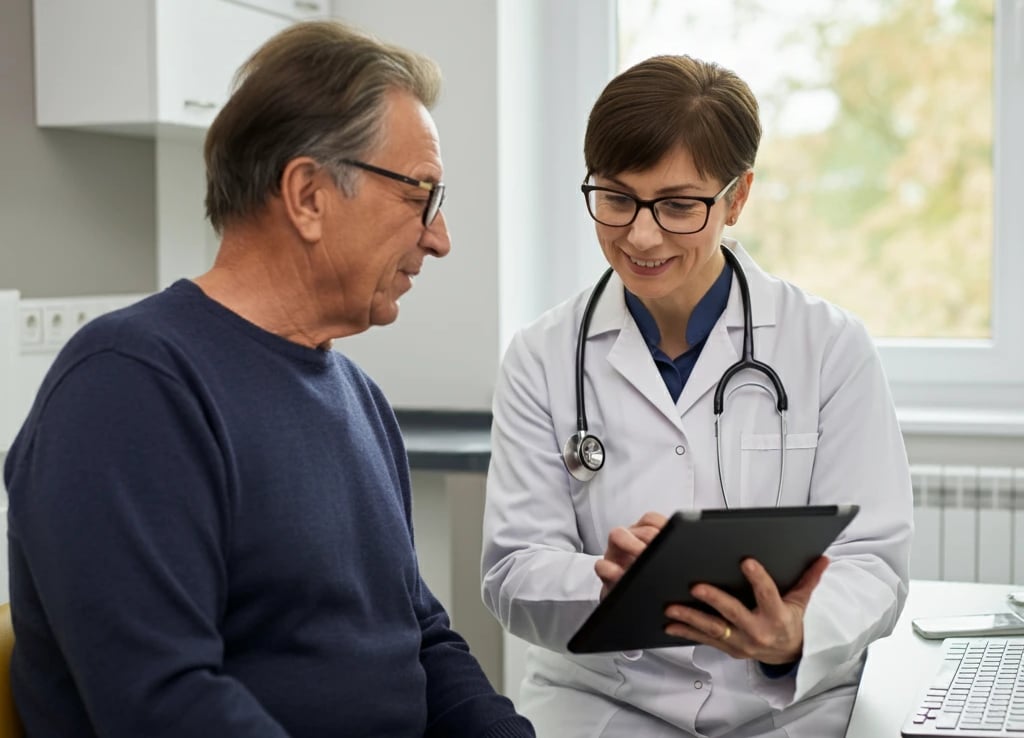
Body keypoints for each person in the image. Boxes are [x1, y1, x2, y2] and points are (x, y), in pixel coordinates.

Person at [4, 21, 534, 738]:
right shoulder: (128, 388)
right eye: (420, 196)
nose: (439, 238)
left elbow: (424, 640)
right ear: (308, 195)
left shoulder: (359, 400)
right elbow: (163, 703)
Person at [481, 54, 913, 737]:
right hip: (603, 702)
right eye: (616, 198)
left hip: (793, 707)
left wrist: (794, 632)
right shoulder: (542, 355)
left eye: (679, 205)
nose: (641, 235)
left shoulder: (827, 345)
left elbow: (874, 562)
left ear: (736, 197)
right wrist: (605, 582)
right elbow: (511, 573)